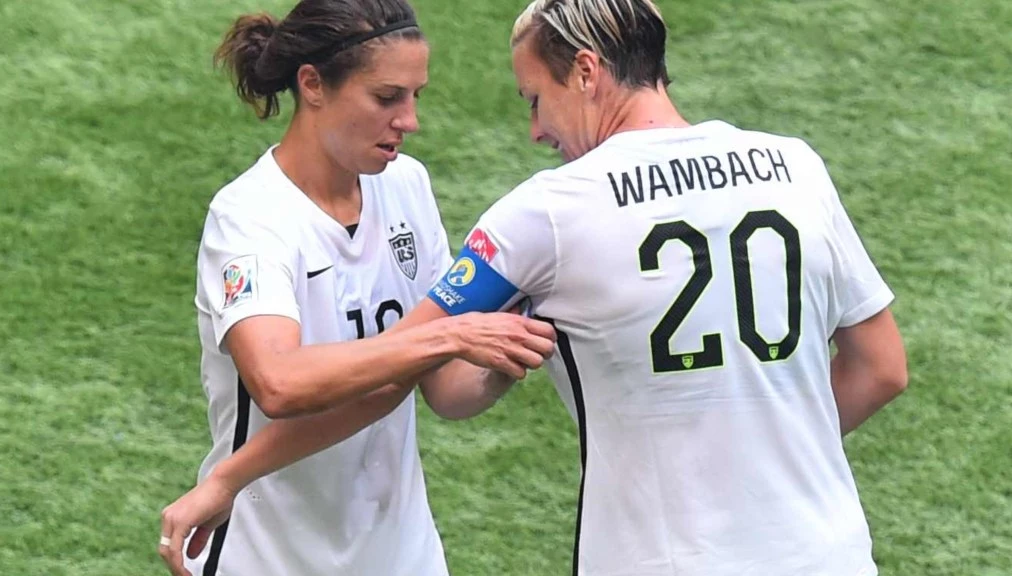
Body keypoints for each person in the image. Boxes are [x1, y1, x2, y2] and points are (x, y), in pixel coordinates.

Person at [162, 0, 909, 575]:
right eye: (391, 97)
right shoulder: (796, 166)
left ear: (585, 72)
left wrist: (462, 336)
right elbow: (882, 368)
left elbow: (419, 369)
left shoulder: (546, 213)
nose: (536, 132)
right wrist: (758, 455)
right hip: (826, 548)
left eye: (533, 99)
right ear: (312, 85)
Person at [156, 1, 555, 575]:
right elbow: (279, 383)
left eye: (417, 96)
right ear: (313, 85)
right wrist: (447, 335)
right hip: (268, 556)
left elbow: (445, 392)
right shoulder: (248, 219)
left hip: (403, 555)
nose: (410, 120)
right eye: (387, 98)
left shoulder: (407, 186)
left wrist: (508, 351)